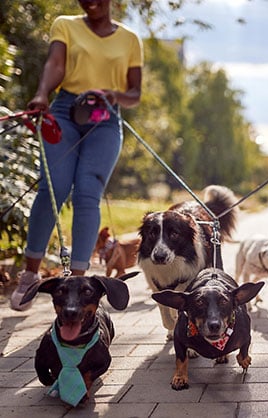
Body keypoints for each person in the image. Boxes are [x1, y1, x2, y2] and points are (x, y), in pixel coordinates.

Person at [10, 0, 142, 311]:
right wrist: (42, 93)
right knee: (53, 186)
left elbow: (135, 93)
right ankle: (30, 274)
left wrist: (114, 95)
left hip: (105, 116)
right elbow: (55, 64)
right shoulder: (65, 24)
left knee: (87, 193)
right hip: (65, 111)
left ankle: (79, 284)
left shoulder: (130, 40)